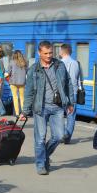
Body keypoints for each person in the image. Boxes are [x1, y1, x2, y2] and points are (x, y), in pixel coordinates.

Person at [20, 41, 74, 175]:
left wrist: (70, 102)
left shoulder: (59, 65)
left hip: (57, 107)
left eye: (51, 53)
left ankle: (43, 156)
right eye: (46, 53)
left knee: (59, 136)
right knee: (40, 138)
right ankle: (40, 165)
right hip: (41, 107)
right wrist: (25, 111)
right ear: (39, 53)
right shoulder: (34, 69)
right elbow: (29, 92)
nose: (49, 55)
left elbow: (68, 84)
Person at [60, 43, 82, 144]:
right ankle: (67, 137)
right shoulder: (76, 63)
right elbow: (77, 80)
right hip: (73, 93)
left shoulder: (59, 64)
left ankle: (63, 134)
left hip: (62, 93)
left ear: (62, 52)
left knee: (58, 114)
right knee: (71, 115)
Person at [6, 50, 28, 116]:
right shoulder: (24, 62)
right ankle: (23, 113)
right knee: (22, 98)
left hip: (13, 82)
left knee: (15, 97)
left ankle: (17, 113)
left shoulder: (12, 62)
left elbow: (9, 72)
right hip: (22, 83)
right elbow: (27, 71)